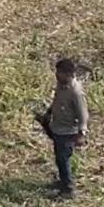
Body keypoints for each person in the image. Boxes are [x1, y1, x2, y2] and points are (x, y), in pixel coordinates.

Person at [39, 56, 89, 198]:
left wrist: (81, 134)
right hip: (58, 128)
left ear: (69, 74)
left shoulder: (76, 92)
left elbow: (83, 114)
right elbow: (57, 101)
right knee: (59, 158)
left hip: (68, 131)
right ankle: (62, 181)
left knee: (63, 159)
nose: (56, 74)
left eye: (59, 72)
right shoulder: (61, 85)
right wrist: (48, 113)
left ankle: (68, 189)